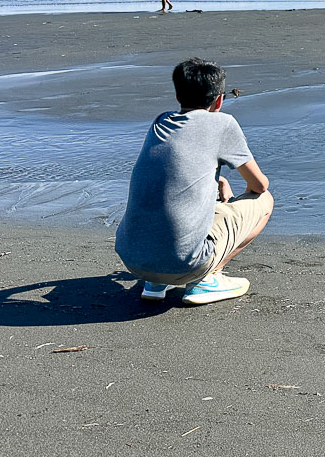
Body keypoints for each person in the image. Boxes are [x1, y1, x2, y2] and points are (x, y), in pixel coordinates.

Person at [115, 58, 274, 305]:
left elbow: (172, 172)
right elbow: (259, 185)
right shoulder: (223, 123)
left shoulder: (161, 122)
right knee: (265, 201)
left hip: (133, 259)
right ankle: (207, 278)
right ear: (219, 99)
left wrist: (215, 182)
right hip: (184, 262)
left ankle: (157, 283)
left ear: (178, 95)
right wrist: (228, 198)